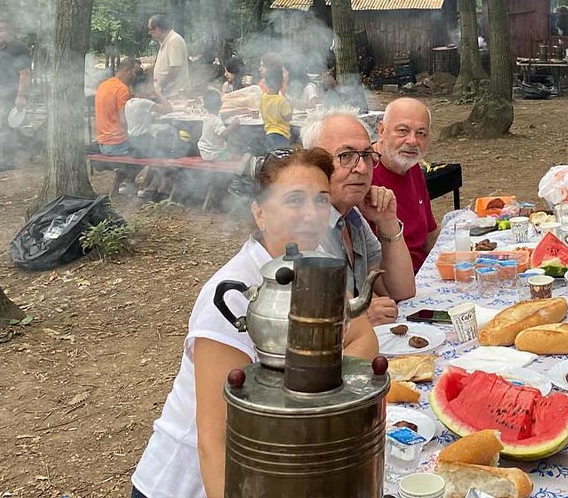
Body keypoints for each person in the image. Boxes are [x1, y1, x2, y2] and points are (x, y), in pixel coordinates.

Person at [130, 148, 379, 498]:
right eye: (295, 200)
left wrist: (307, 398)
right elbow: (214, 443)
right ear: (259, 213)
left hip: (277, 469)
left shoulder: (318, 264)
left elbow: (364, 339)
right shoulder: (232, 292)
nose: (312, 213)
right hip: (192, 485)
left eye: (322, 200)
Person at [303, 108, 417, 326]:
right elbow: (300, 327)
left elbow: (401, 290)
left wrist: (387, 222)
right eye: (346, 156)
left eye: (366, 155)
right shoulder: (304, 229)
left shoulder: (353, 216)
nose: (362, 168)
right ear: (314, 163)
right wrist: (356, 317)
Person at [370, 98, 439, 274]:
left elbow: (430, 234)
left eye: (421, 133)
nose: (412, 141)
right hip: (394, 284)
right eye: (403, 131)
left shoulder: (412, 166)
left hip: (426, 274)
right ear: (381, 131)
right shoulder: (365, 174)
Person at [0, 20, 32, 173]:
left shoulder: (17, 48)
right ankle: (34, 146)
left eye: (2, 30)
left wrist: (21, 96)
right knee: (8, 126)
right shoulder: (4, 49)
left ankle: (7, 161)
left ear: (11, 32)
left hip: (10, 96)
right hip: (1, 95)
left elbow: (24, 73)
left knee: (5, 127)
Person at [94, 58, 143, 195]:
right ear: (127, 71)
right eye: (136, 72)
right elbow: (124, 121)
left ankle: (125, 184)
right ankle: (131, 183)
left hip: (103, 142)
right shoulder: (122, 89)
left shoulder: (103, 85)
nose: (136, 76)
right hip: (117, 144)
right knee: (148, 149)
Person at [148, 14, 190, 101]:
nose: (149, 33)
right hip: (168, 93)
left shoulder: (174, 40)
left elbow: (175, 69)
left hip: (175, 94)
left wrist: (162, 86)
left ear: (158, 29)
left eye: (150, 30)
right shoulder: (165, 42)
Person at [259, 53, 294, 150]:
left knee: (271, 156)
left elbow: (262, 113)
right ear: (280, 84)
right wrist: (291, 107)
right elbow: (288, 116)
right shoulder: (281, 100)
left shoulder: (263, 98)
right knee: (280, 159)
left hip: (268, 133)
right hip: (281, 135)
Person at [197, 89, 238, 161]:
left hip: (205, 151)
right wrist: (233, 124)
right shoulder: (216, 120)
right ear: (221, 104)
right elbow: (224, 134)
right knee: (234, 151)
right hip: (214, 154)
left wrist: (229, 114)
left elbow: (220, 115)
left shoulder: (207, 116)